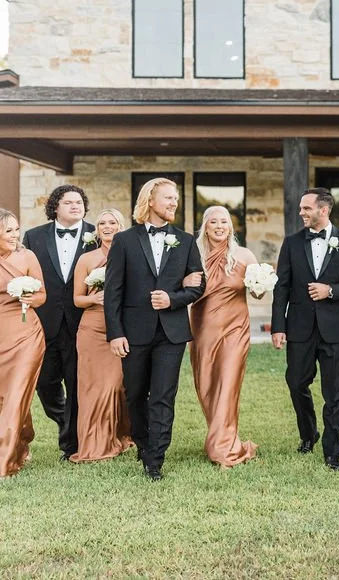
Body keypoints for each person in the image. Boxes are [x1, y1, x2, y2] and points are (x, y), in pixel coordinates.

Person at [105, 178, 206, 481]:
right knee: (135, 394)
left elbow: (199, 285)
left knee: (163, 394)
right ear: (150, 200)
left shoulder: (186, 241)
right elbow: (113, 292)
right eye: (168, 198)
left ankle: (155, 458)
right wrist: (115, 332)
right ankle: (142, 441)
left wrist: (173, 298)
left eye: (176, 199)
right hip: (133, 331)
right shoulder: (124, 240)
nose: (174, 203)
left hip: (172, 333)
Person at [271, 188, 339, 471]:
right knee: (296, 383)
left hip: (333, 329)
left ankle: (333, 453)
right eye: (301, 208)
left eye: (306, 208)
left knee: (334, 393)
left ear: (324, 210)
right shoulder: (292, 243)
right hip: (299, 327)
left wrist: (331, 291)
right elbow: (281, 287)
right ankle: (308, 433)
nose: (301, 213)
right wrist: (278, 326)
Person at [22, 184, 96, 460]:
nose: (76, 206)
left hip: (83, 321)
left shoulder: (96, 235)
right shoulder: (34, 237)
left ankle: (71, 445)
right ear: (55, 207)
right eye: (69, 202)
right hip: (45, 321)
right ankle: (64, 420)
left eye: (79, 202)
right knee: (45, 381)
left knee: (76, 381)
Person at [0, 208, 47, 481]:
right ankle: (23, 437)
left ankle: (4, 462)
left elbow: (42, 294)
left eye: (17, 229)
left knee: (16, 395)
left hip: (25, 335)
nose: (15, 235)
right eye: (9, 230)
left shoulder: (27, 256)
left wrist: (31, 299)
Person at [189, 206, 258, 468]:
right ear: (205, 227)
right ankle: (221, 434)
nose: (219, 226)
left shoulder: (244, 255)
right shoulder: (194, 254)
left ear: (231, 227)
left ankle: (223, 446)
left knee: (228, 384)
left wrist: (261, 284)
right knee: (207, 384)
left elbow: (258, 293)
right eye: (213, 222)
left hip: (235, 328)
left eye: (224, 222)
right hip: (203, 327)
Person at [70, 208, 133, 463]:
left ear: (121, 226)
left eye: (113, 222)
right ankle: (94, 444)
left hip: (121, 327)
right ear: (97, 229)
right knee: (92, 387)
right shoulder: (87, 259)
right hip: (92, 328)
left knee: (116, 385)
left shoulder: (132, 254)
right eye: (102, 223)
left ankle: (119, 435)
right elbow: (76, 299)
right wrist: (94, 297)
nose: (108, 227)